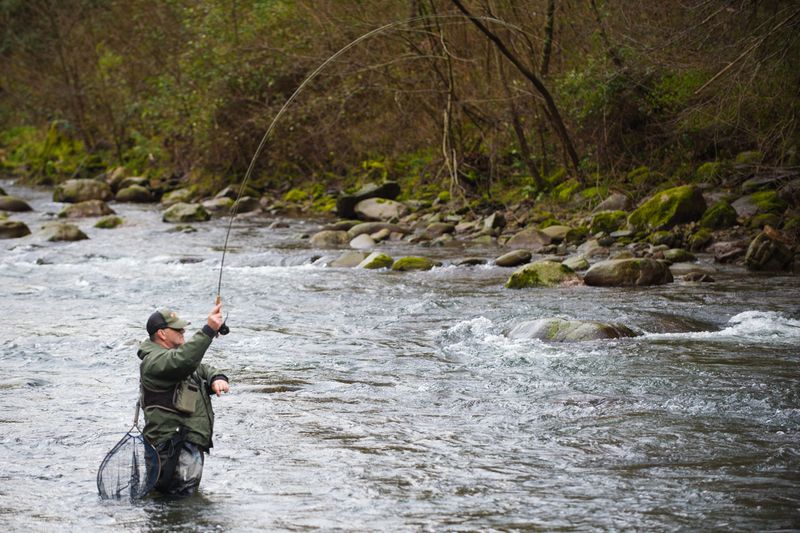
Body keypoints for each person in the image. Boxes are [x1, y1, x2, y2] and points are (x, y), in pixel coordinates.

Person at [137, 301, 230, 496]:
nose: (183, 331)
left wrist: (216, 378)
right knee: (178, 504)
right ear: (162, 333)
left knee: (180, 504)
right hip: (172, 448)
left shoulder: (171, 357)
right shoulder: (155, 361)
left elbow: (200, 368)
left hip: (184, 444)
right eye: (177, 328)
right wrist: (209, 330)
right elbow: (184, 361)